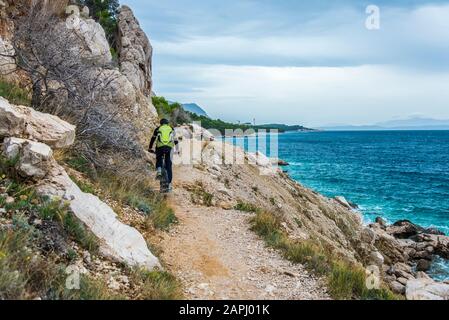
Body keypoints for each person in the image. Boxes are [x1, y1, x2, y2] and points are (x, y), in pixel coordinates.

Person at [149, 118, 178, 191]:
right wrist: (177, 149)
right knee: (168, 166)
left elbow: (153, 139)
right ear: (167, 123)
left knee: (159, 159)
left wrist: (150, 148)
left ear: (161, 123)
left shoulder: (158, 128)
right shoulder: (171, 128)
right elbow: (175, 140)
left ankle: (159, 171)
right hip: (169, 148)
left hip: (160, 147)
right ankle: (169, 185)